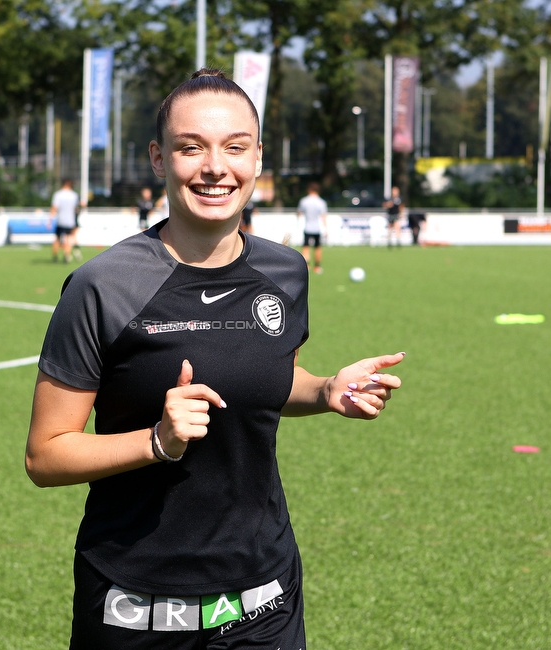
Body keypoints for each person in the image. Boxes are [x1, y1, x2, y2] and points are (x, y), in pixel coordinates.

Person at [24, 68, 404, 650]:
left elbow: (267, 382)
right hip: (136, 604)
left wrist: (325, 390)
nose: (214, 167)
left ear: (257, 158)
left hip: (263, 598)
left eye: (234, 147)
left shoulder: (285, 272)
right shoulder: (102, 285)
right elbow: (45, 455)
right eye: (190, 147)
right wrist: (156, 440)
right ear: (158, 159)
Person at [296, 181, 327, 274]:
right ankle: (317, 267)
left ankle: (307, 266)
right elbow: (323, 217)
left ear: (309, 190)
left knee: (306, 247)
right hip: (317, 228)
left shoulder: (304, 201)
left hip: (307, 227)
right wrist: (326, 229)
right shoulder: (321, 202)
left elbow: (299, 213)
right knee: (317, 247)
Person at [50, 178, 80, 263]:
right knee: (68, 238)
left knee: (57, 239)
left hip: (60, 220)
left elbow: (54, 208)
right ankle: (66, 256)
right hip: (70, 220)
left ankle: (55, 257)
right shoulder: (74, 195)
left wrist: (50, 219)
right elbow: (76, 209)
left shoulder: (58, 194)